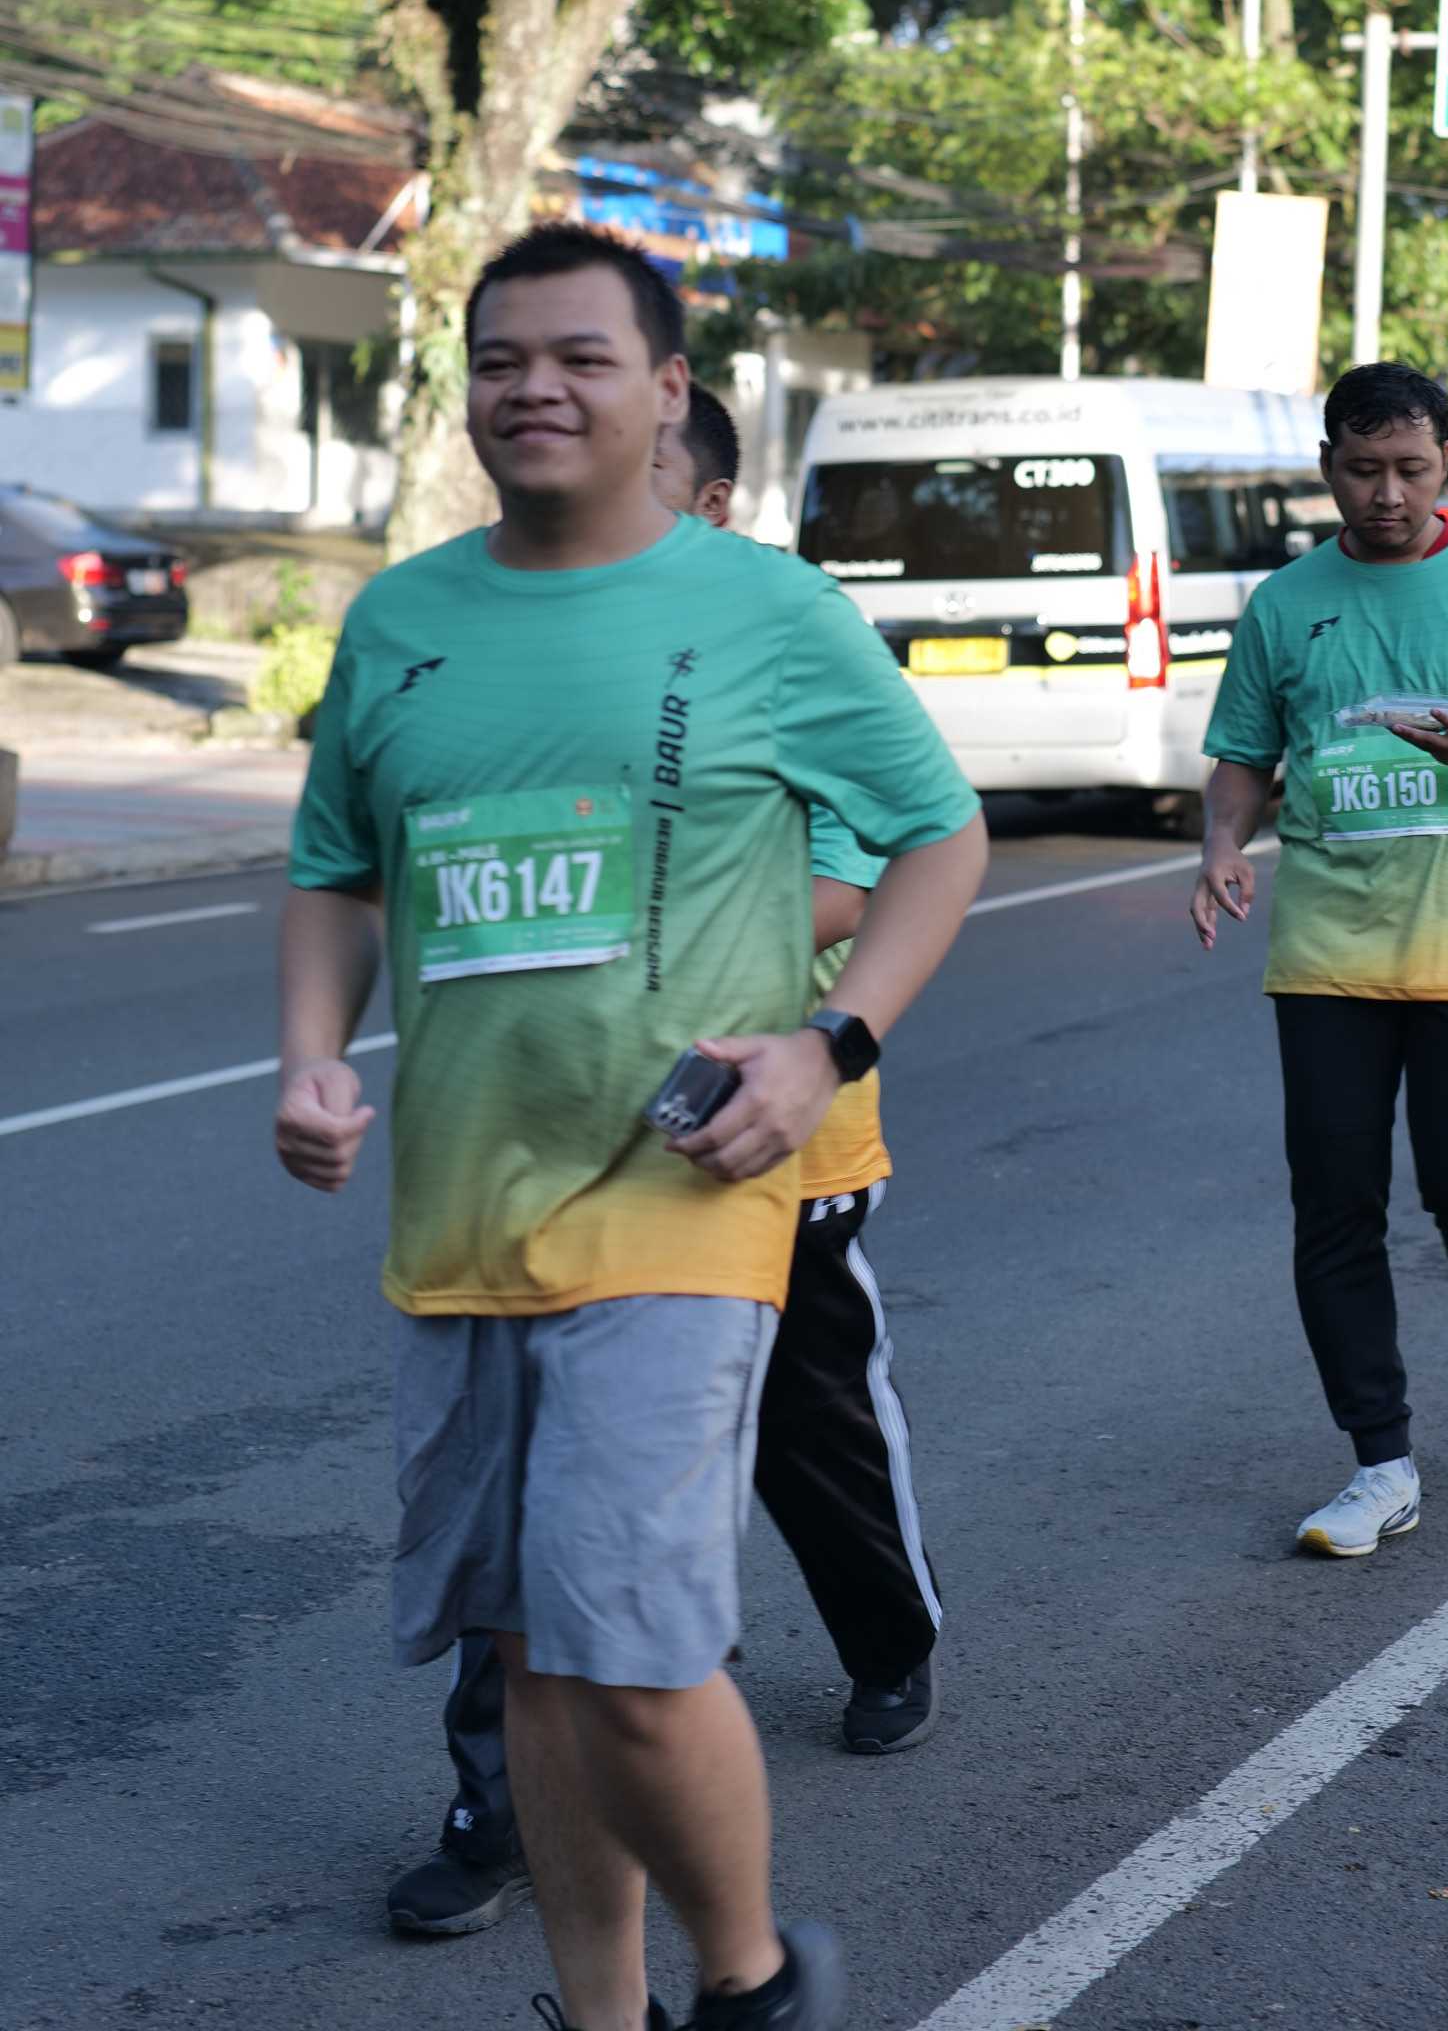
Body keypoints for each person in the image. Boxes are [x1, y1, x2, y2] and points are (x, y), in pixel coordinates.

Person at [276, 223, 987, 2031]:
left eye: (581, 357)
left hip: (682, 1194)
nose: (536, 387)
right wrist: (312, 1055)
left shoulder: (766, 612)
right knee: (532, 1655)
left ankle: (750, 1983)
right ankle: (604, 2016)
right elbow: (336, 866)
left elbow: (939, 834)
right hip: (460, 1210)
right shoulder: (402, 619)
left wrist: (829, 1045)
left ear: (664, 389)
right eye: (503, 358)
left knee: (633, 1646)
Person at [391, 384, 946, 1944]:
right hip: (547, 1161)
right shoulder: (511, 646)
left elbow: (871, 874)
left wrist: (655, 914)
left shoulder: (785, 643)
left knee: (813, 1436)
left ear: (704, 505)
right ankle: (500, 1806)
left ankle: (887, 1643)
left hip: (768, 1146)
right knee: (533, 1519)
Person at [1189, 362, 1448, 1562]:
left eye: (1411, 470)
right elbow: (1243, 755)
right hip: (1328, 952)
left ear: (1445, 465)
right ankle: (1380, 1462)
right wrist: (1222, 843)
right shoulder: (1285, 603)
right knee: (1334, 1209)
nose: (1387, 494)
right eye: (1363, 471)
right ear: (1327, 468)